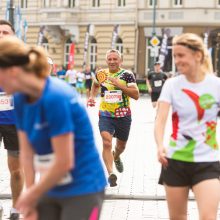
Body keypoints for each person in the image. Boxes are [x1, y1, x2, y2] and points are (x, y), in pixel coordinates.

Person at [0, 36, 107, 220]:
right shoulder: (19, 98)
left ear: (12, 71)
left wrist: (32, 195)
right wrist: (31, 193)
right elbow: (26, 152)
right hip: (51, 184)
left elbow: (64, 161)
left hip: (83, 187)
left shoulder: (56, 97)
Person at [154, 33, 220, 220]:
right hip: (175, 160)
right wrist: (160, 145)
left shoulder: (216, 86)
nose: (177, 61)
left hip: (207, 161)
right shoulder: (172, 85)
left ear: (198, 55)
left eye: (181, 55)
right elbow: (160, 120)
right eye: (175, 56)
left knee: (208, 217)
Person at [87, 49, 139, 187]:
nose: (112, 62)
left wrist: (119, 84)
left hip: (123, 116)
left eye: (115, 59)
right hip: (106, 115)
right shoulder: (101, 74)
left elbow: (136, 95)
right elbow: (95, 85)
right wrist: (92, 97)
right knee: (106, 143)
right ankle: (111, 173)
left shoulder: (127, 75)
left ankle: (116, 156)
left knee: (121, 146)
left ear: (120, 61)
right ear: (106, 61)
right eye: (109, 59)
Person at [0, 19, 24, 220]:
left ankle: (16, 208)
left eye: (5, 32)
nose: (1, 35)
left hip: (14, 121)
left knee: (16, 170)